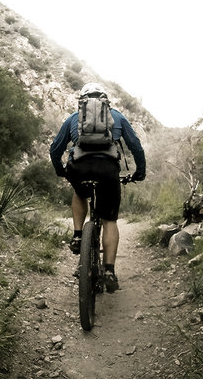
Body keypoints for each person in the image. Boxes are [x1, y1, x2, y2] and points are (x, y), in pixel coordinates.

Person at [50, 82, 146, 293]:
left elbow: (55, 150)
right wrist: (140, 172)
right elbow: (136, 146)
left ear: (82, 101)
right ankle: (109, 270)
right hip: (108, 170)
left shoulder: (74, 118)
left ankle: (77, 235)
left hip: (80, 168)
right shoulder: (117, 117)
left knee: (79, 193)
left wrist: (61, 171)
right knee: (109, 220)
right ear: (105, 101)